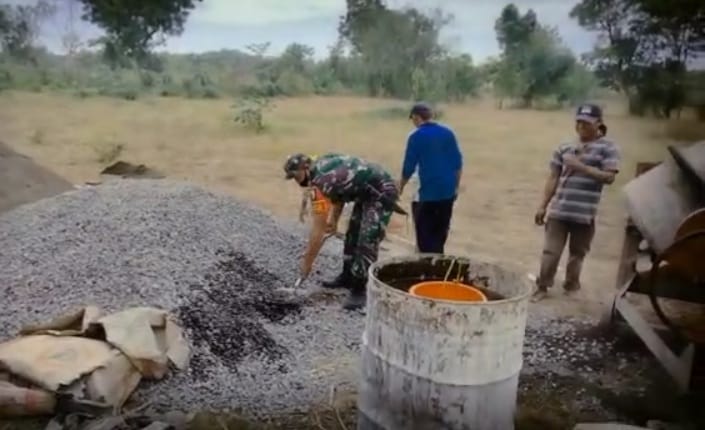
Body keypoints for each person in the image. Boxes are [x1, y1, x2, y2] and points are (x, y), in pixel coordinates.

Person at [284, 152, 402, 310]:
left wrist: (307, 262)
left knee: (367, 238)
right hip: (363, 192)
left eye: (295, 176)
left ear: (305, 169)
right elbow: (339, 192)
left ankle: (361, 289)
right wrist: (334, 220)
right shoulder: (319, 168)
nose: (296, 181)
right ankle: (348, 276)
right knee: (353, 233)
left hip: (381, 191)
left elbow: (318, 230)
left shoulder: (321, 182)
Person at [532, 103, 620, 302]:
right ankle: (542, 286)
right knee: (550, 252)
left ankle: (571, 285)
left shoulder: (608, 148)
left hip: (585, 213)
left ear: (599, 123)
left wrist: (580, 166)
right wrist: (543, 205)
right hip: (559, 211)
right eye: (579, 122)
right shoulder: (565, 146)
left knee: (577, 254)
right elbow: (553, 177)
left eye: (587, 123)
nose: (581, 127)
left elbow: (609, 177)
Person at [398, 102, 463, 254]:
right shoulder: (448, 133)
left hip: (426, 194)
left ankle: (427, 271)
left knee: (424, 239)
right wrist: (455, 188)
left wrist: (400, 187)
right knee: (439, 235)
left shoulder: (415, 136)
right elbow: (458, 164)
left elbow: (408, 167)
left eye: (413, 119)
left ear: (416, 117)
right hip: (447, 192)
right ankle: (438, 266)